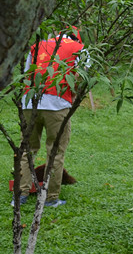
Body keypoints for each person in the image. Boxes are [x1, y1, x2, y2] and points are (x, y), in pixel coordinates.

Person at [17, 27, 88, 208]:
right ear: (75, 38)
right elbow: (82, 76)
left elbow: (26, 75)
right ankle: (51, 198)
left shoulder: (37, 46)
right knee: (55, 151)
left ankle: (20, 195)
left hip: (29, 102)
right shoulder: (79, 48)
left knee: (27, 149)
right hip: (57, 104)